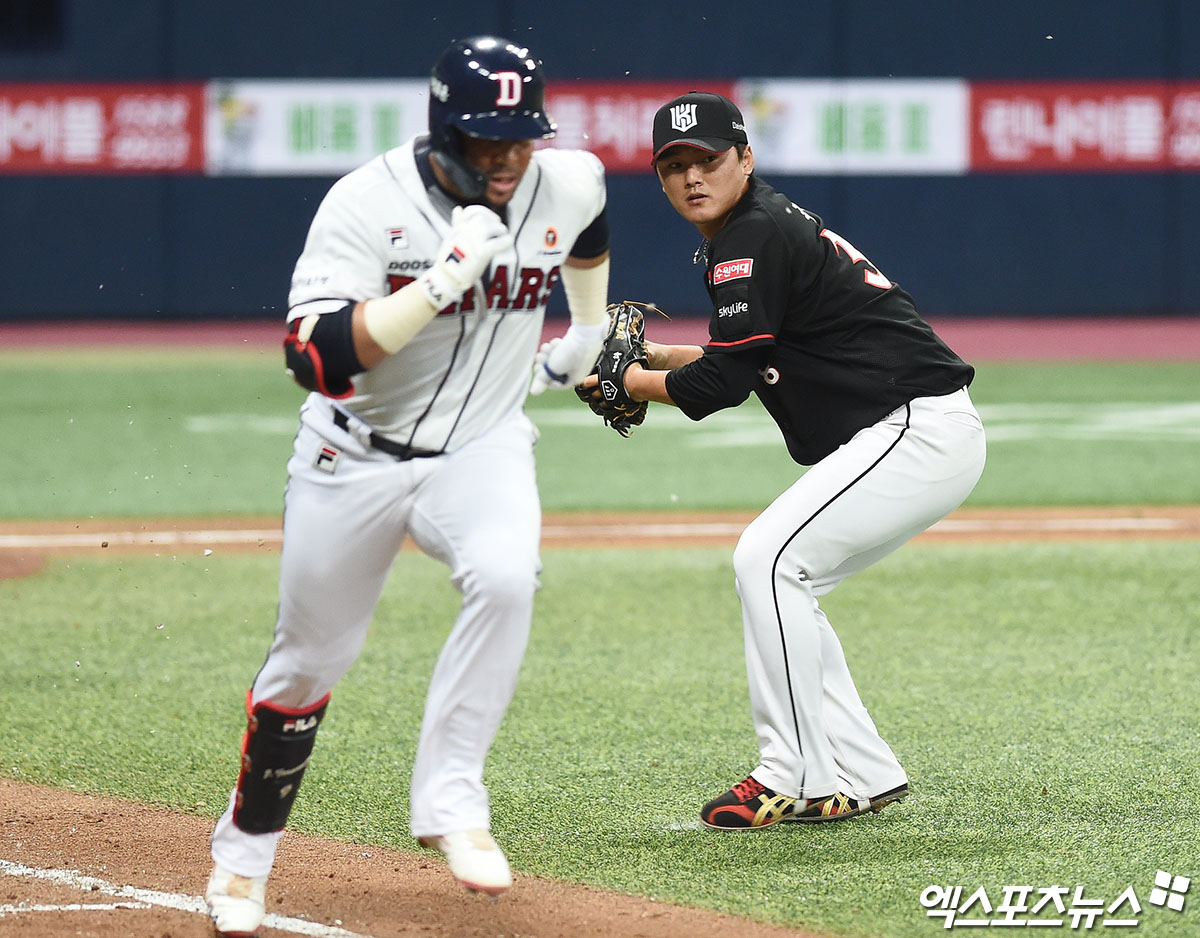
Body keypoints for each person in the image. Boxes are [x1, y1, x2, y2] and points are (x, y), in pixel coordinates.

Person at [204, 36, 611, 935]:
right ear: (443, 131)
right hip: (353, 456)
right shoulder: (367, 202)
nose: (509, 158)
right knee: (308, 664)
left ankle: (453, 801)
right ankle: (242, 860)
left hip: (483, 447)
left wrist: (585, 329)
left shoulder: (565, 180)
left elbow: (588, 225)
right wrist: (440, 281)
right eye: (488, 139)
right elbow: (315, 359)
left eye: (522, 138)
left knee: (506, 578)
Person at [584, 92, 986, 831]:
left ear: (745, 158)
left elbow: (723, 385)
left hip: (914, 428)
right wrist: (655, 361)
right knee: (787, 577)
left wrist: (629, 381)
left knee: (768, 561)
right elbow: (748, 356)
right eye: (674, 165)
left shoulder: (750, 235)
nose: (692, 177)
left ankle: (794, 775)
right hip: (917, 429)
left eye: (707, 159)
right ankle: (860, 772)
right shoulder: (758, 226)